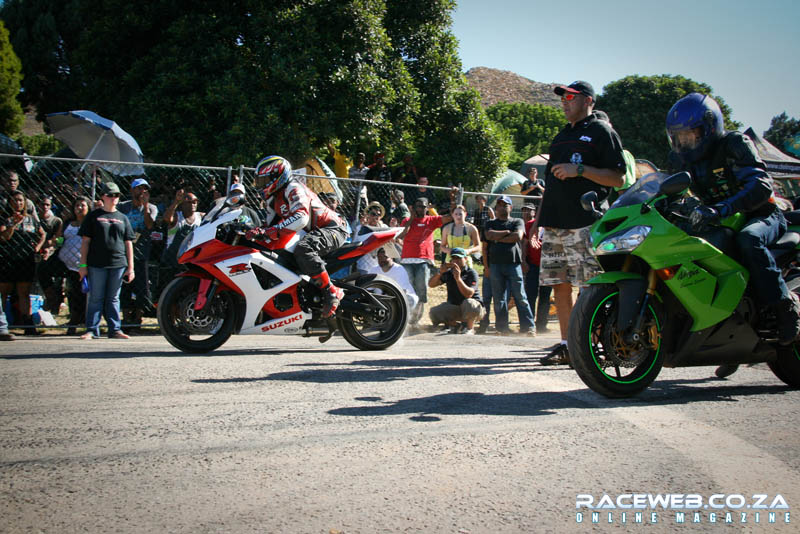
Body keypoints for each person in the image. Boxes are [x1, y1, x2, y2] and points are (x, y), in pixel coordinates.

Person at [666, 93, 800, 376]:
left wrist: (723, 208)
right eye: (680, 137)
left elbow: (761, 186)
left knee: (748, 240)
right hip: (719, 219)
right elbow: (670, 192)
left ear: (711, 127)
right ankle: (724, 334)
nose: (685, 143)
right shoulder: (679, 159)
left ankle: (784, 307)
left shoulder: (735, 143)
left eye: (691, 135)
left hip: (761, 215)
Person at [533, 80, 626, 365]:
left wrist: (580, 170)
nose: (564, 101)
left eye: (570, 97)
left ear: (588, 100)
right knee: (559, 285)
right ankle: (568, 345)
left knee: (590, 286)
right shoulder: (561, 136)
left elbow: (618, 178)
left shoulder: (602, 131)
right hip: (554, 224)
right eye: (562, 97)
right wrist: (539, 219)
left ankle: (597, 346)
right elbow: (549, 182)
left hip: (584, 222)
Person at [245, 156, 349, 317]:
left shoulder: (293, 188)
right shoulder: (273, 199)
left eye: (264, 180)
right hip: (311, 232)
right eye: (259, 181)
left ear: (277, 176)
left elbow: (301, 217)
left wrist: (271, 230)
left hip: (332, 228)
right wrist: (256, 232)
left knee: (304, 249)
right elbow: (269, 225)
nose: (261, 185)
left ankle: (331, 292)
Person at [78, 182, 135, 340]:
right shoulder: (93, 216)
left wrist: (131, 267)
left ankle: (115, 329)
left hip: (118, 263)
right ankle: (91, 329)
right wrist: (82, 265)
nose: (113, 198)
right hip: (97, 263)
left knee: (114, 298)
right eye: (110, 195)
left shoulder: (123, 218)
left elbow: (128, 243)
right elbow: (85, 242)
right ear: (103, 196)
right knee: (96, 297)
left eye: (116, 195)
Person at [398, 197, 454, 327]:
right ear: (413, 207)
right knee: (407, 288)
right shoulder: (407, 221)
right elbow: (401, 235)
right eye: (418, 206)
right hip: (407, 259)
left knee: (421, 288)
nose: (420, 209)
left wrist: (452, 199)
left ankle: (415, 320)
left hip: (423, 259)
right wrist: (411, 218)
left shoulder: (431, 220)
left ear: (427, 207)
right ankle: (405, 317)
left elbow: (450, 217)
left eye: (423, 207)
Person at [484, 195, 535, 336]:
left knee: (520, 296)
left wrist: (498, 237)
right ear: (496, 208)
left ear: (511, 207)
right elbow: (488, 236)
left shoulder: (517, 221)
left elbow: (517, 237)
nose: (502, 207)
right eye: (500, 205)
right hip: (495, 265)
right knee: (499, 299)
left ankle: (528, 327)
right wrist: (507, 233)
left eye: (505, 205)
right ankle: (502, 328)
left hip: (513, 264)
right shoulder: (490, 223)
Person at [0, 190, 46, 334]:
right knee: (3, 292)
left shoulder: (31, 219)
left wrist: (38, 246)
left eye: (21, 200)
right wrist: (13, 223)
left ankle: (28, 323)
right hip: (7, 259)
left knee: (24, 292)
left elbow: (42, 233)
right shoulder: (5, 218)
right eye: (15, 200)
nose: (18, 203)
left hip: (25, 260)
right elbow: (3, 237)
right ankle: (2, 324)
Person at [118, 177, 158, 330]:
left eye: (145, 189)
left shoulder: (151, 208)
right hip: (122, 253)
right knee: (125, 287)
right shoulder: (123, 207)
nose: (142, 191)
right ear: (132, 190)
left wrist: (146, 205)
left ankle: (138, 320)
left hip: (142, 253)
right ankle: (126, 319)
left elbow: (149, 225)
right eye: (139, 188)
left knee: (142, 288)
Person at [427, 247, 484, 334]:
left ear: (465, 259)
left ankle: (469, 329)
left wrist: (458, 279)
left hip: (475, 309)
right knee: (435, 311)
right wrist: (440, 273)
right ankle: (455, 326)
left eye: (459, 258)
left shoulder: (471, 273)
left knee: (469, 302)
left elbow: (468, 294)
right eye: (454, 258)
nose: (456, 261)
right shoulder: (449, 272)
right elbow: (431, 284)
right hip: (456, 307)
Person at [521, 202, 552, 334]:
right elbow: (525, 244)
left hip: (549, 266)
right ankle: (528, 324)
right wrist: (523, 261)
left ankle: (542, 325)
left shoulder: (551, 225)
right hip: (533, 265)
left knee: (545, 296)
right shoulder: (529, 225)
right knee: (530, 295)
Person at [367, 247, 419, 311]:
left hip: (399, 299)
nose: (381, 259)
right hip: (380, 300)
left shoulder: (399, 269)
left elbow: (402, 292)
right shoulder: (373, 269)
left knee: (409, 299)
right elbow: (369, 289)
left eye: (385, 257)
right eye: (379, 257)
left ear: (392, 257)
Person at [347, 152, 370, 221]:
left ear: (364, 159)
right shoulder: (351, 169)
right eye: (359, 158)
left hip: (362, 192)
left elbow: (367, 182)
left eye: (362, 158)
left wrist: (360, 183)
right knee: (352, 207)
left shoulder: (367, 170)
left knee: (363, 207)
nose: (360, 159)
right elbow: (352, 182)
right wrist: (362, 182)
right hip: (353, 191)